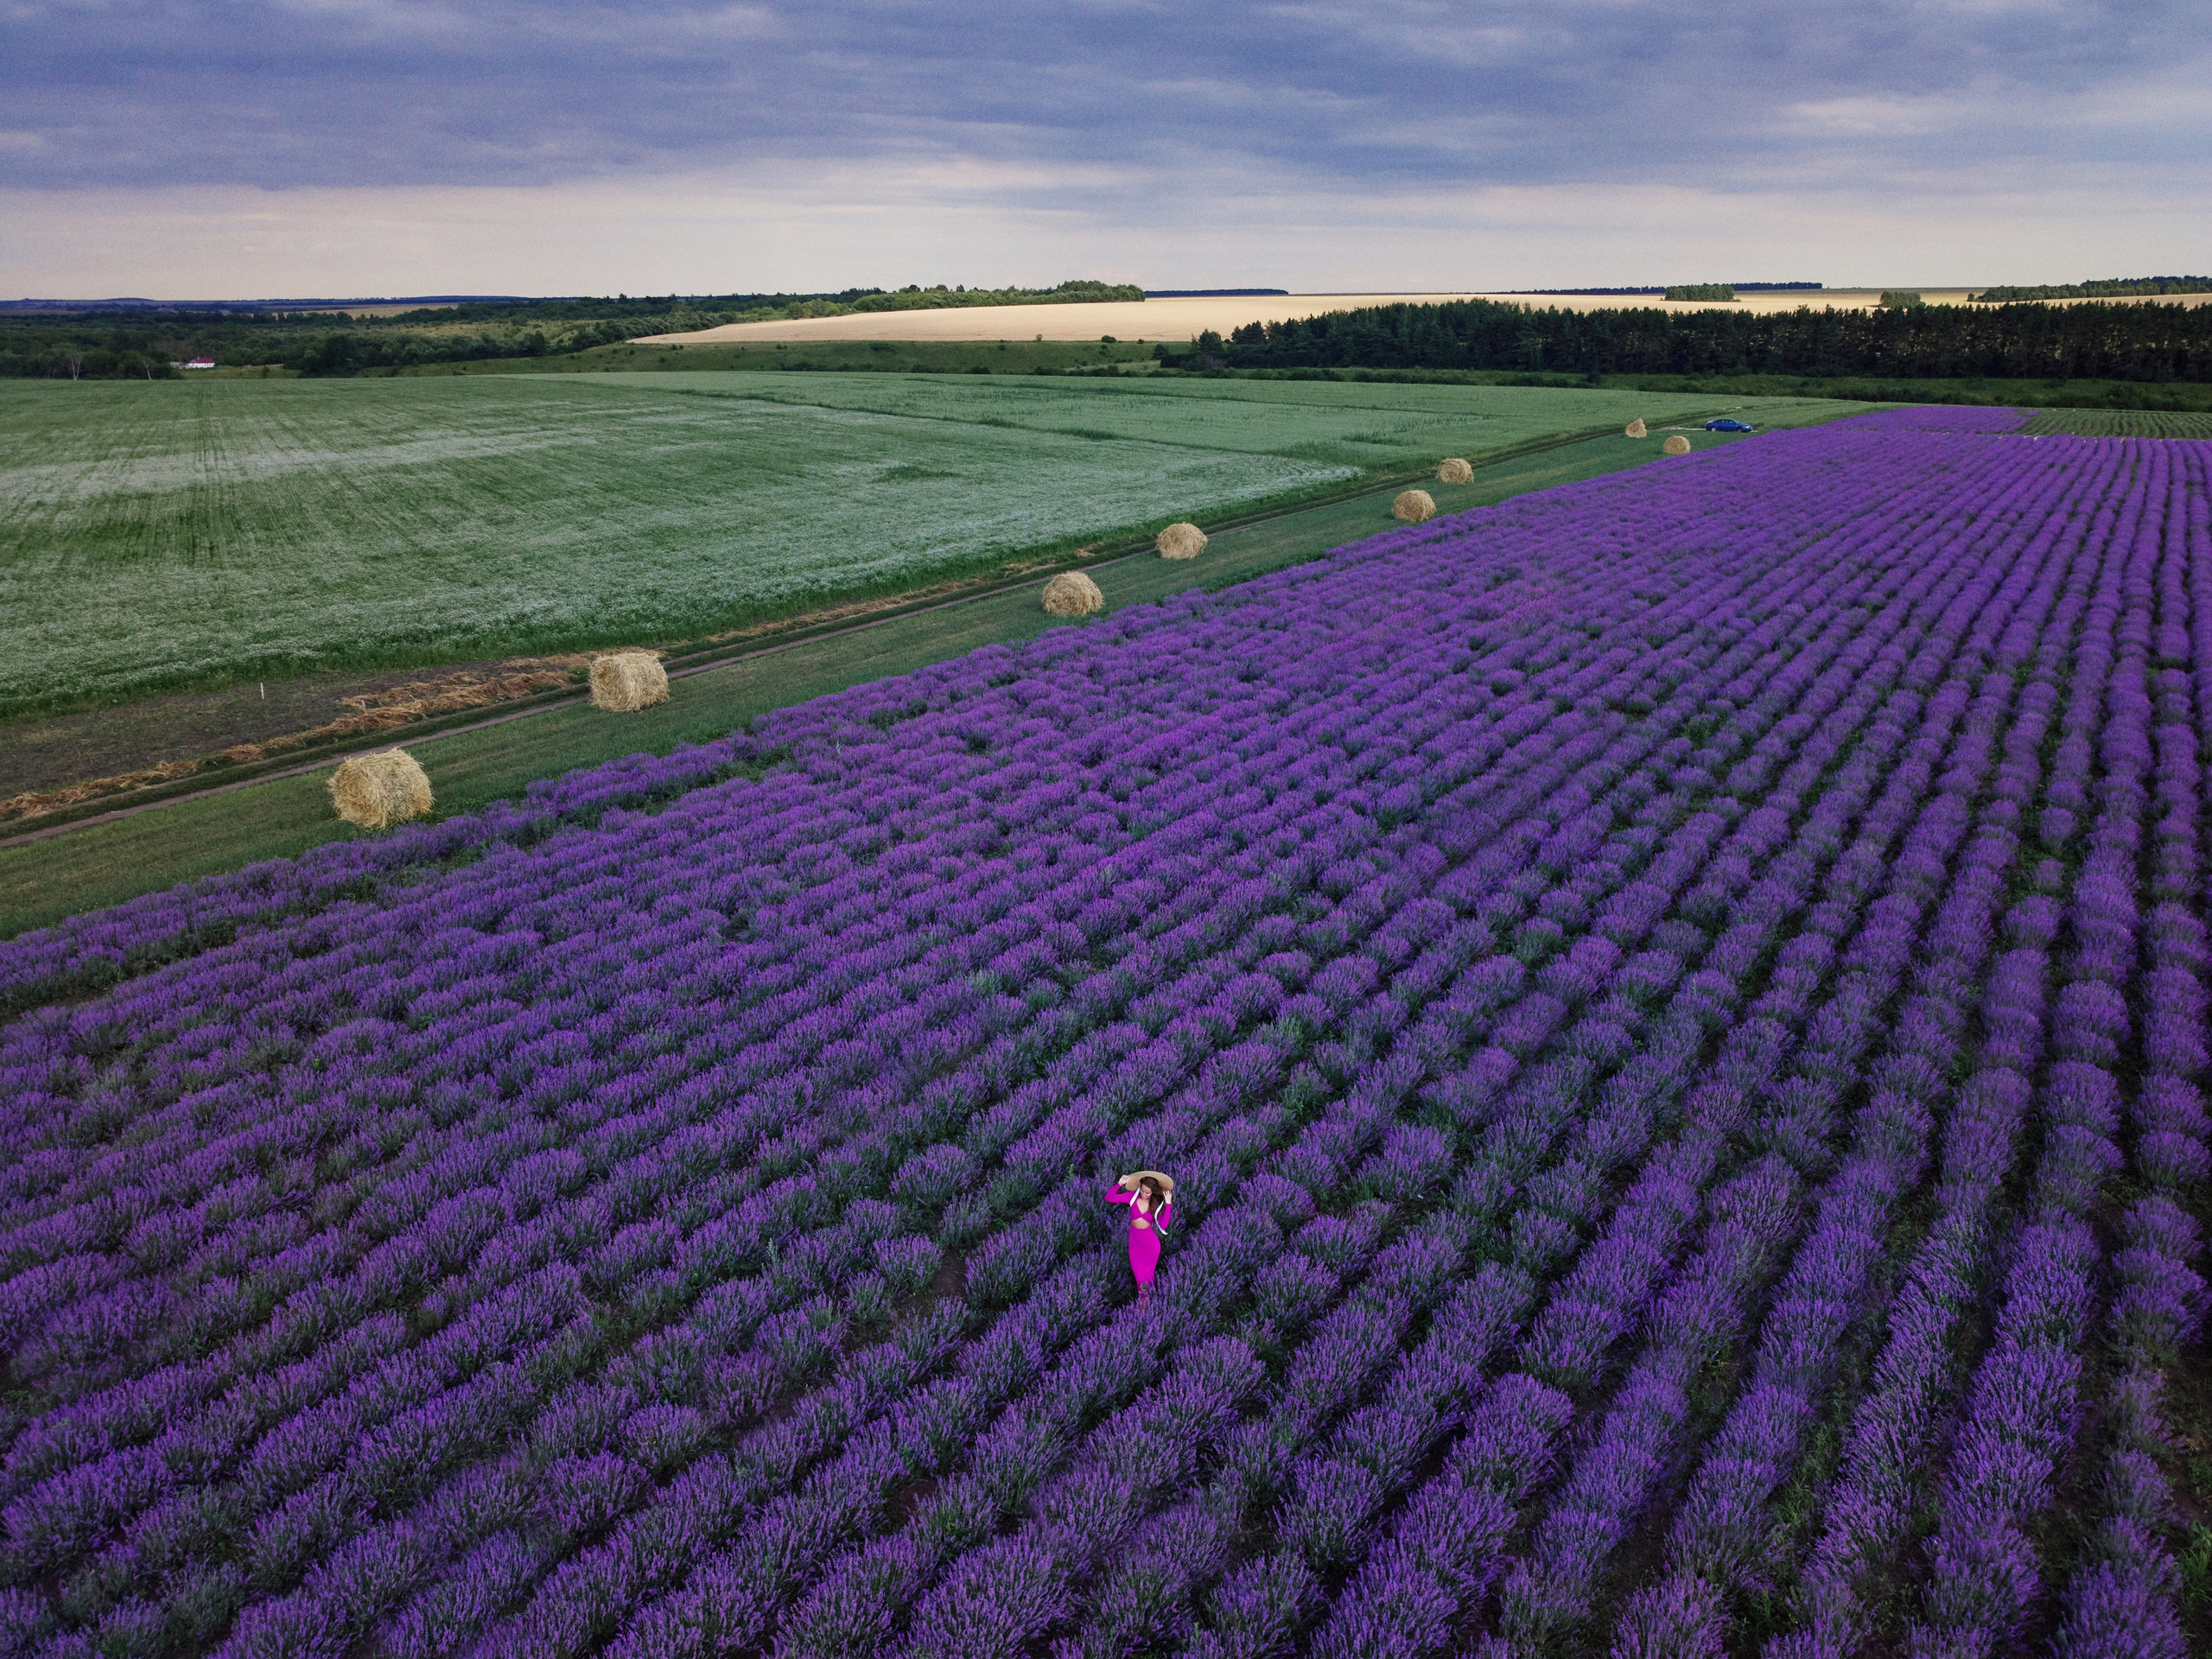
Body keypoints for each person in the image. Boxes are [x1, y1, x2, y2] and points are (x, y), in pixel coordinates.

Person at [1107, 1170, 1174, 1302]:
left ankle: (1145, 1306)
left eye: (1147, 1192)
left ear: (1153, 1192)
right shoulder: (1132, 1197)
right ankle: (1149, 1301)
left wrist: (1168, 1204)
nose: (1144, 1194)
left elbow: (1164, 1225)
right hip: (1135, 1244)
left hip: (1150, 1246)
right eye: (1142, 1190)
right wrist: (1119, 1184)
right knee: (1139, 1276)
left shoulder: (1156, 1204)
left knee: (1147, 1277)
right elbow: (1109, 1197)